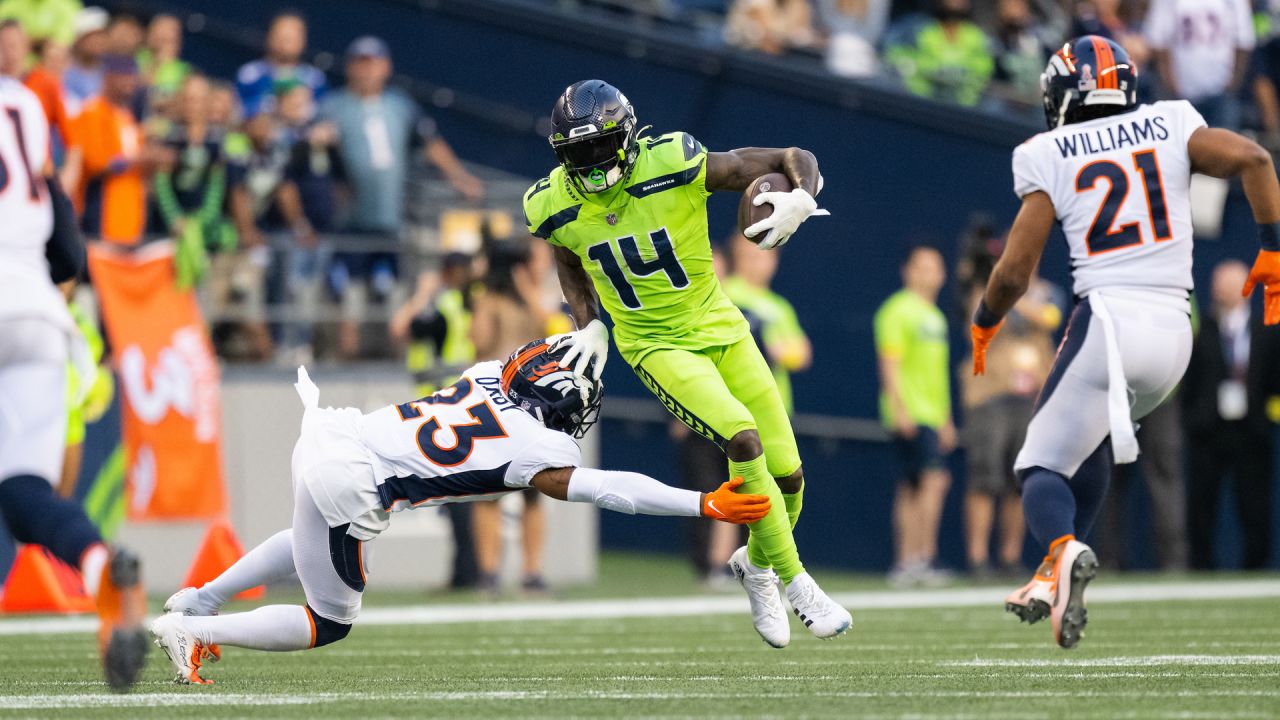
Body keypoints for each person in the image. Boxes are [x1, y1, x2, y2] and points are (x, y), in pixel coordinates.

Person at [150, 340, 771, 684]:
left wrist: (587, 335)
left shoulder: (488, 372)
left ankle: (198, 601)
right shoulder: (541, 446)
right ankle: (196, 632)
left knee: (310, 540)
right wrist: (702, 501)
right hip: (356, 480)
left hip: (329, 434)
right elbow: (613, 488)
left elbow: (540, 356)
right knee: (329, 620)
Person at [971, 35, 1280, 649]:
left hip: (1108, 322)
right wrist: (1272, 251)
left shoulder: (1045, 150)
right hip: (1175, 337)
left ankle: (1059, 551)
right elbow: (1255, 160)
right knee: (1086, 447)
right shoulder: (1170, 122)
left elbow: (1013, 271)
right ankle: (1054, 572)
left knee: (1036, 465)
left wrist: (985, 320)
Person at [524, 79, 849, 648]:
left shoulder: (674, 160)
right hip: (655, 345)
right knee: (742, 442)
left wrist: (802, 195)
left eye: (600, 148)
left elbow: (790, 158)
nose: (592, 164)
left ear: (626, 138)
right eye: (577, 154)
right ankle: (796, 582)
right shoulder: (551, 201)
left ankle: (755, 566)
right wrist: (590, 323)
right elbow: (568, 258)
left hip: (722, 328)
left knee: (790, 474)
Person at [0, 74, 146, 690]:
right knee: (22, 489)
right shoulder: (24, 100)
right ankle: (96, 566)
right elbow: (66, 247)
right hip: (36, 310)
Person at [320, 36, 484, 359]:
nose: (368, 70)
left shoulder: (399, 106)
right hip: (348, 220)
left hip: (388, 219)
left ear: (386, 67)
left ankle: (392, 351)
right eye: (361, 63)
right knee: (346, 291)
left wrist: (461, 178)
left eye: (374, 62)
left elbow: (430, 142)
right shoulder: (333, 106)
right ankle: (345, 355)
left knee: (388, 287)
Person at [1182, 260, 1280, 569]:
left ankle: (1255, 563)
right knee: (1202, 502)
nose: (1218, 289)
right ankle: (1202, 565)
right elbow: (1191, 379)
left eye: (1226, 282)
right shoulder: (1204, 328)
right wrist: (1193, 418)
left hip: (1252, 427)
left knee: (1253, 500)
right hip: (1209, 429)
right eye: (1216, 282)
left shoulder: (1266, 329)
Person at [468, 240, 553, 595]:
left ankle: (529, 571)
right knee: (488, 493)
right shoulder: (489, 301)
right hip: (496, 403)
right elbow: (479, 341)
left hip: (526, 405)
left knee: (535, 489)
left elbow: (550, 332)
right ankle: (490, 572)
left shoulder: (528, 300)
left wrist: (528, 292)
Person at [875, 245, 956, 587]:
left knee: (914, 486)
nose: (929, 274)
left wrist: (947, 419)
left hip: (932, 415)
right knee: (929, 483)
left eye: (935, 267)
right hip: (910, 413)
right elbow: (889, 364)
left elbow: (938, 374)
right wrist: (900, 409)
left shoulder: (935, 317)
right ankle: (920, 558)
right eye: (922, 267)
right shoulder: (896, 310)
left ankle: (909, 561)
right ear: (907, 270)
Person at [68, 54, 156, 247]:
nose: (129, 81)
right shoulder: (93, 111)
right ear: (108, 77)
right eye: (123, 76)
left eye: (132, 76)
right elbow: (95, 164)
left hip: (130, 221)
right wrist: (138, 160)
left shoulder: (127, 117)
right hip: (99, 216)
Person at [1145, 0, 1254, 128]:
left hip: (1221, 93)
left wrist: (1233, 83)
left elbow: (1243, 42)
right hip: (1181, 94)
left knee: (1220, 144)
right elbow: (1158, 42)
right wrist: (1171, 85)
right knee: (1183, 146)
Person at [883, 0, 995, 107]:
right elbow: (898, 57)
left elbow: (984, 69)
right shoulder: (922, 30)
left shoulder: (976, 36)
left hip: (964, 111)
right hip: (924, 105)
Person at [234, 12, 325, 118]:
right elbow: (235, 112)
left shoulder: (315, 80)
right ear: (269, 37)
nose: (286, 42)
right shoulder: (250, 75)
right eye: (281, 36)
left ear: (303, 40)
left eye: (292, 37)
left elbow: (323, 116)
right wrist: (274, 106)